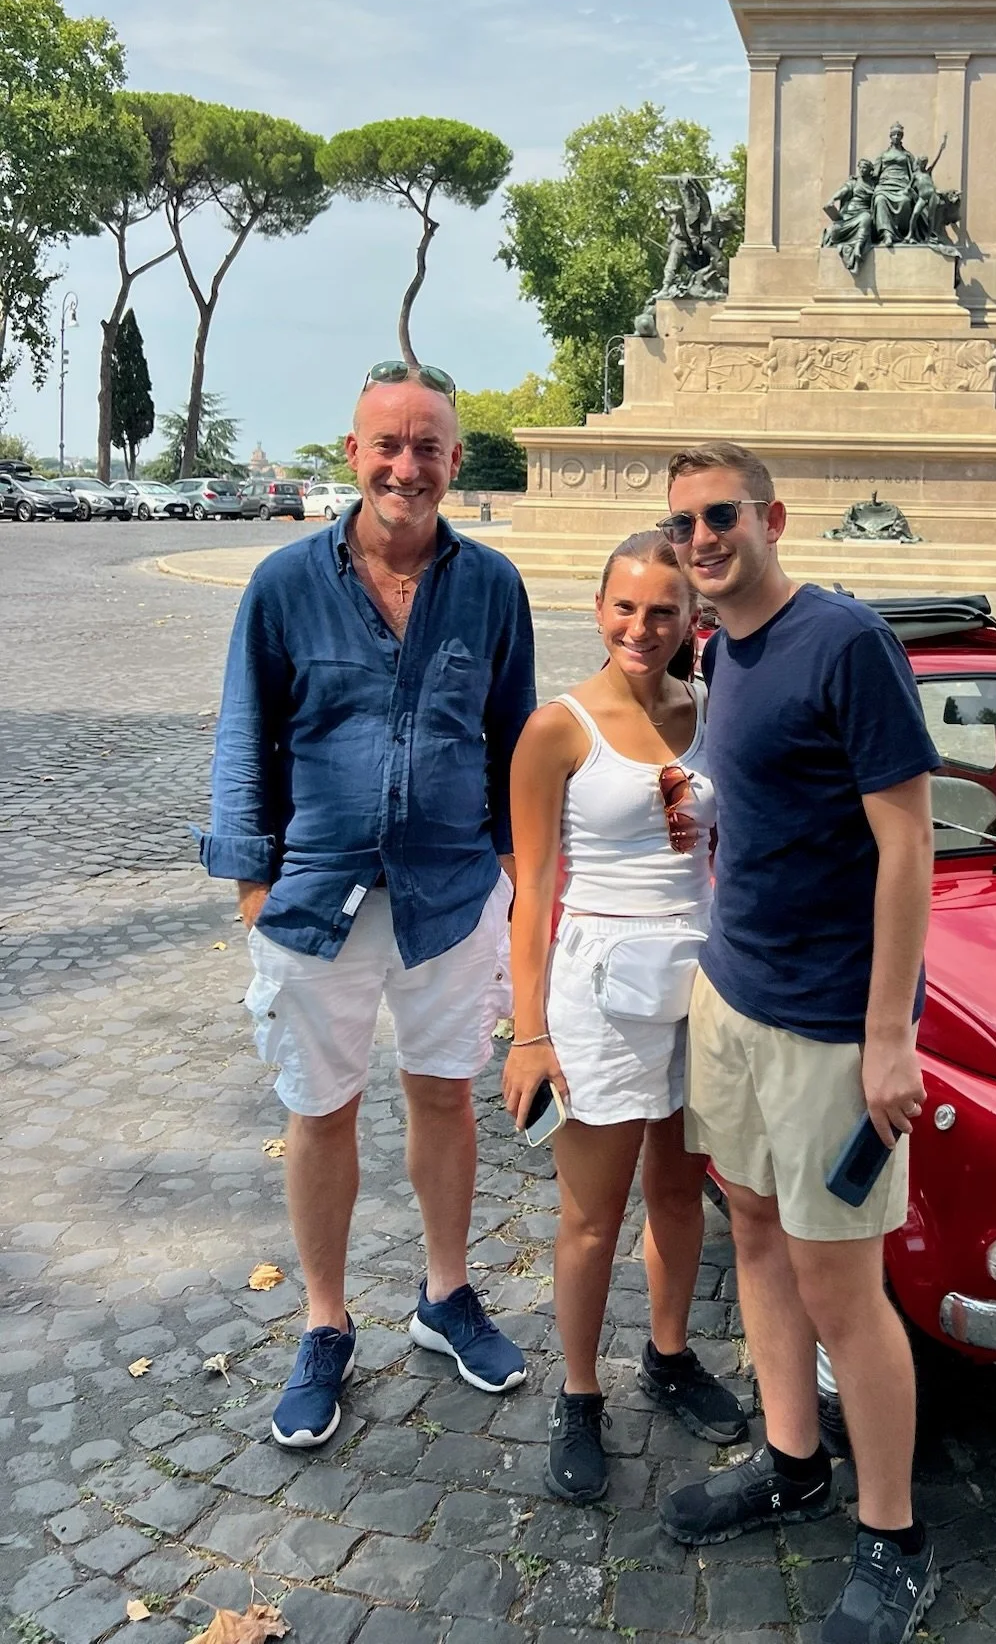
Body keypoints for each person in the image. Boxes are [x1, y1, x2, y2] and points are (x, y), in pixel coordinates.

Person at [200, 360, 536, 1449]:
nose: (407, 463)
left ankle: (445, 1294)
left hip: (449, 893)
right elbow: (246, 735)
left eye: (428, 444)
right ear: (352, 454)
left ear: (453, 457)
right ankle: (325, 1320)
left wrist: (514, 871)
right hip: (315, 896)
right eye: (387, 442)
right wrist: (255, 885)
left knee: (445, 1098)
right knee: (322, 1111)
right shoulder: (284, 583)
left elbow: (516, 739)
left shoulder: (491, 587)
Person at [654, 443, 943, 1644]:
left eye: (722, 514)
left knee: (844, 1286)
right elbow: (761, 782)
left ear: (773, 515)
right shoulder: (721, 645)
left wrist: (889, 1035)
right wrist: (703, 800)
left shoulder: (846, 640)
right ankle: (792, 1460)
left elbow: (909, 844)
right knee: (758, 1233)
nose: (702, 537)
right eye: (682, 523)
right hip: (734, 993)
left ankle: (893, 1534)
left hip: (831, 1024)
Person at [503, 531, 747, 1505]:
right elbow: (532, 890)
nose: (641, 627)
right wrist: (528, 1030)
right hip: (598, 992)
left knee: (683, 1193)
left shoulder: (716, 718)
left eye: (662, 610)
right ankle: (579, 1390)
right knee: (592, 1216)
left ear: (694, 618)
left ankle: (673, 1351)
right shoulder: (557, 728)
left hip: (700, 982)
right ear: (597, 610)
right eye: (624, 607)